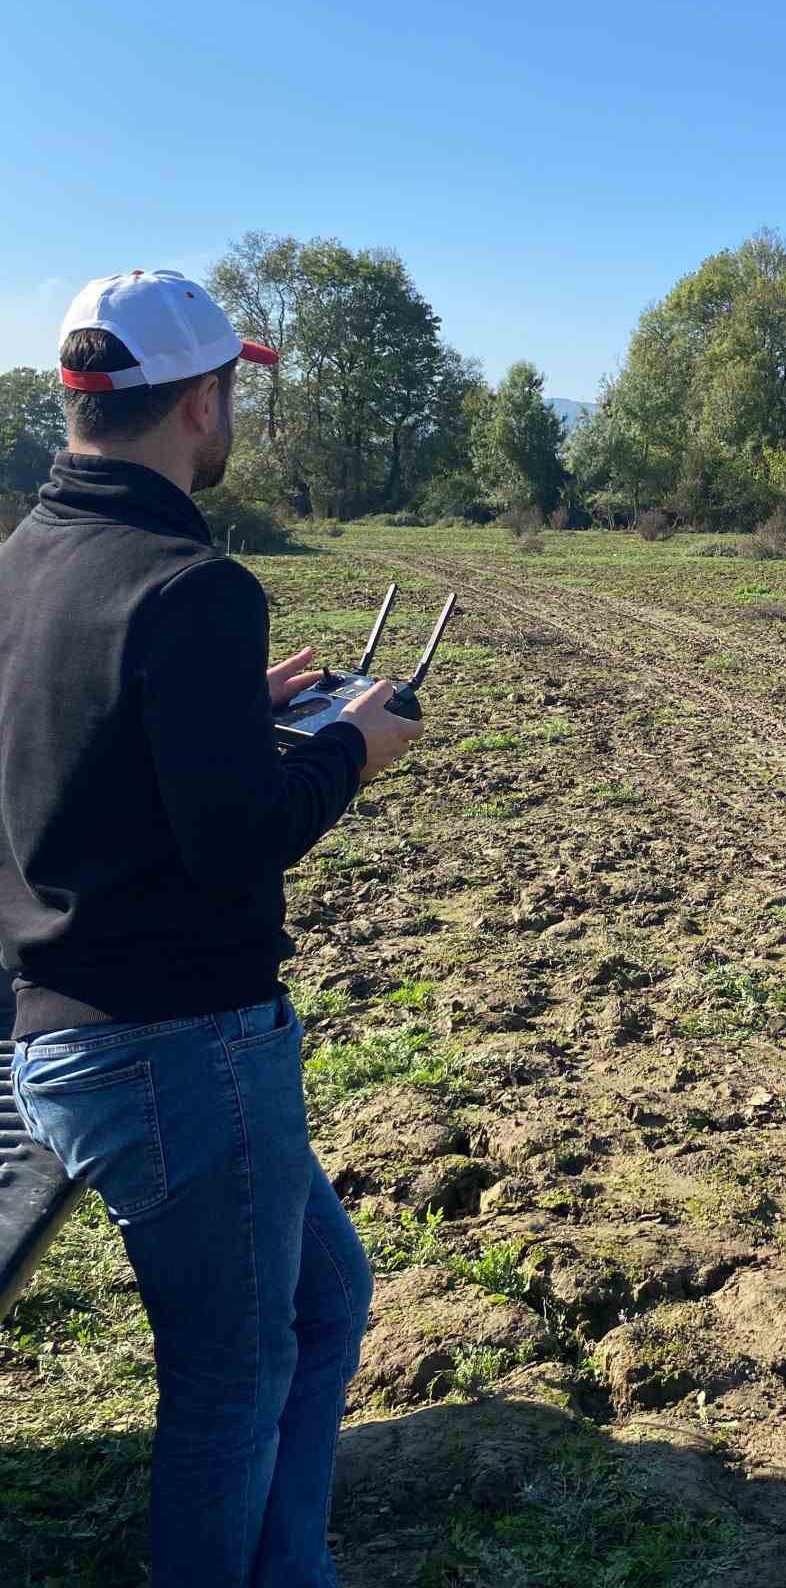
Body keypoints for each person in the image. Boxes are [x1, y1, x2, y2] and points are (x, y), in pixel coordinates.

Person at [0, 270, 423, 1587]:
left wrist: (222, 709)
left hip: (52, 1032)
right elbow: (240, 838)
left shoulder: (25, 562)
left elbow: (68, 740)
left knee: (324, 1299)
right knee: (229, 1391)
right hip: (181, 1053)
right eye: (231, 389)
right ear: (201, 403)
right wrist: (352, 747)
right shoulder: (193, 582)